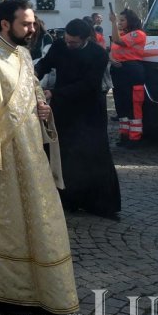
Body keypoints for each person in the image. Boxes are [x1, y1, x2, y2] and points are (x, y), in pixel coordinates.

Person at [0, 0, 78, 315]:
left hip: (30, 153)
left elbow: (33, 90)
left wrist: (43, 107)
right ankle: (5, 293)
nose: (32, 28)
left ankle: (38, 287)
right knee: (4, 222)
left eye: (33, 22)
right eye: (26, 23)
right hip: (1, 159)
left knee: (37, 217)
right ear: (5, 24)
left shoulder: (23, 54)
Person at [36, 18, 122, 218]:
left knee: (94, 153)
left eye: (73, 42)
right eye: (67, 40)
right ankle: (67, 199)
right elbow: (46, 64)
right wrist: (34, 73)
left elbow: (89, 85)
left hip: (89, 110)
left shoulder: (98, 54)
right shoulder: (59, 45)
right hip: (63, 108)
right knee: (63, 153)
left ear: (84, 39)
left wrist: (55, 92)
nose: (68, 44)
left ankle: (101, 204)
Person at [109, 7, 147, 147]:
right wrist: (111, 59)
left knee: (133, 105)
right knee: (121, 105)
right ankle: (124, 135)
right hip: (119, 72)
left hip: (132, 71)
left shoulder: (138, 34)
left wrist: (113, 22)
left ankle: (135, 138)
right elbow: (112, 50)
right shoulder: (122, 34)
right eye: (118, 20)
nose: (119, 23)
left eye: (122, 20)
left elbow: (117, 41)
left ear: (130, 21)